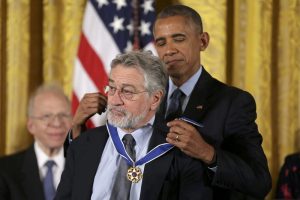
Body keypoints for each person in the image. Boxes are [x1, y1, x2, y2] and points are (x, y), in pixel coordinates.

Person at [69, 4, 272, 199]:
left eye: (179, 39)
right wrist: (77, 128)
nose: (169, 50)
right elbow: (102, 160)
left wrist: (208, 153)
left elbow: (259, 181)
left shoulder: (233, 102)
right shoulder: (143, 96)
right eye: (161, 42)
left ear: (203, 41)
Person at [55, 51, 212, 200]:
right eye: (112, 88)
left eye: (127, 92)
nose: (115, 100)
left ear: (155, 99)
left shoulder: (180, 149)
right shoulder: (83, 144)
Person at [0, 84, 72, 200]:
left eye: (63, 115)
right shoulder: (4, 171)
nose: (57, 123)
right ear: (31, 125)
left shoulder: (86, 167)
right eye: (47, 116)